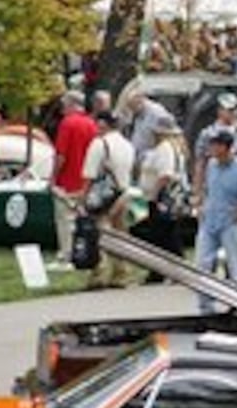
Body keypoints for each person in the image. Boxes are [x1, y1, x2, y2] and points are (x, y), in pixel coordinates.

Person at [195, 129, 237, 310]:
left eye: (216, 145)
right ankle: (206, 307)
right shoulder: (212, 166)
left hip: (231, 222)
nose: (212, 149)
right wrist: (201, 206)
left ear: (225, 147)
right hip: (210, 220)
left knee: (235, 266)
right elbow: (207, 189)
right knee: (203, 264)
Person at [81, 111, 135, 289]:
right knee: (121, 234)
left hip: (104, 195)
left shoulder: (99, 144)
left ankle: (99, 273)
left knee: (100, 234)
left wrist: (83, 197)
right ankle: (122, 273)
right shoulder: (128, 145)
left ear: (103, 124)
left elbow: (90, 173)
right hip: (124, 192)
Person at [49, 91, 98, 271]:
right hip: (85, 181)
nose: (62, 108)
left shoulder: (67, 123)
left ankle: (66, 255)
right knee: (82, 220)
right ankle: (83, 253)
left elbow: (61, 155)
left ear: (70, 104)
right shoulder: (91, 124)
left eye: (64, 104)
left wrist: (53, 177)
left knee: (64, 220)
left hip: (68, 180)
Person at [136, 112, 189, 272]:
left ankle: (166, 268)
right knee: (166, 234)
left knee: (161, 234)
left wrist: (154, 193)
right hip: (171, 198)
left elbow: (165, 174)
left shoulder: (165, 148)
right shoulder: (175, 148)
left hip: (162, 198)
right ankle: (168, 268)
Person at [193, 93, 237, 201]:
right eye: (227, 109)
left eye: (234, 109)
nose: (232, 113)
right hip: (214, 184)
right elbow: (200, 163)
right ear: (219, 110)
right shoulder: (209, 133)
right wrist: (197, 192)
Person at [121, 90, 174, 168]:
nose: (132, 111)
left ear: (139, 101)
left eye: (132, 107)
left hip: (152, 159)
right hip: (141, 158)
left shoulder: (157, 113)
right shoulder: (139, 114)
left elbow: (165, 134)